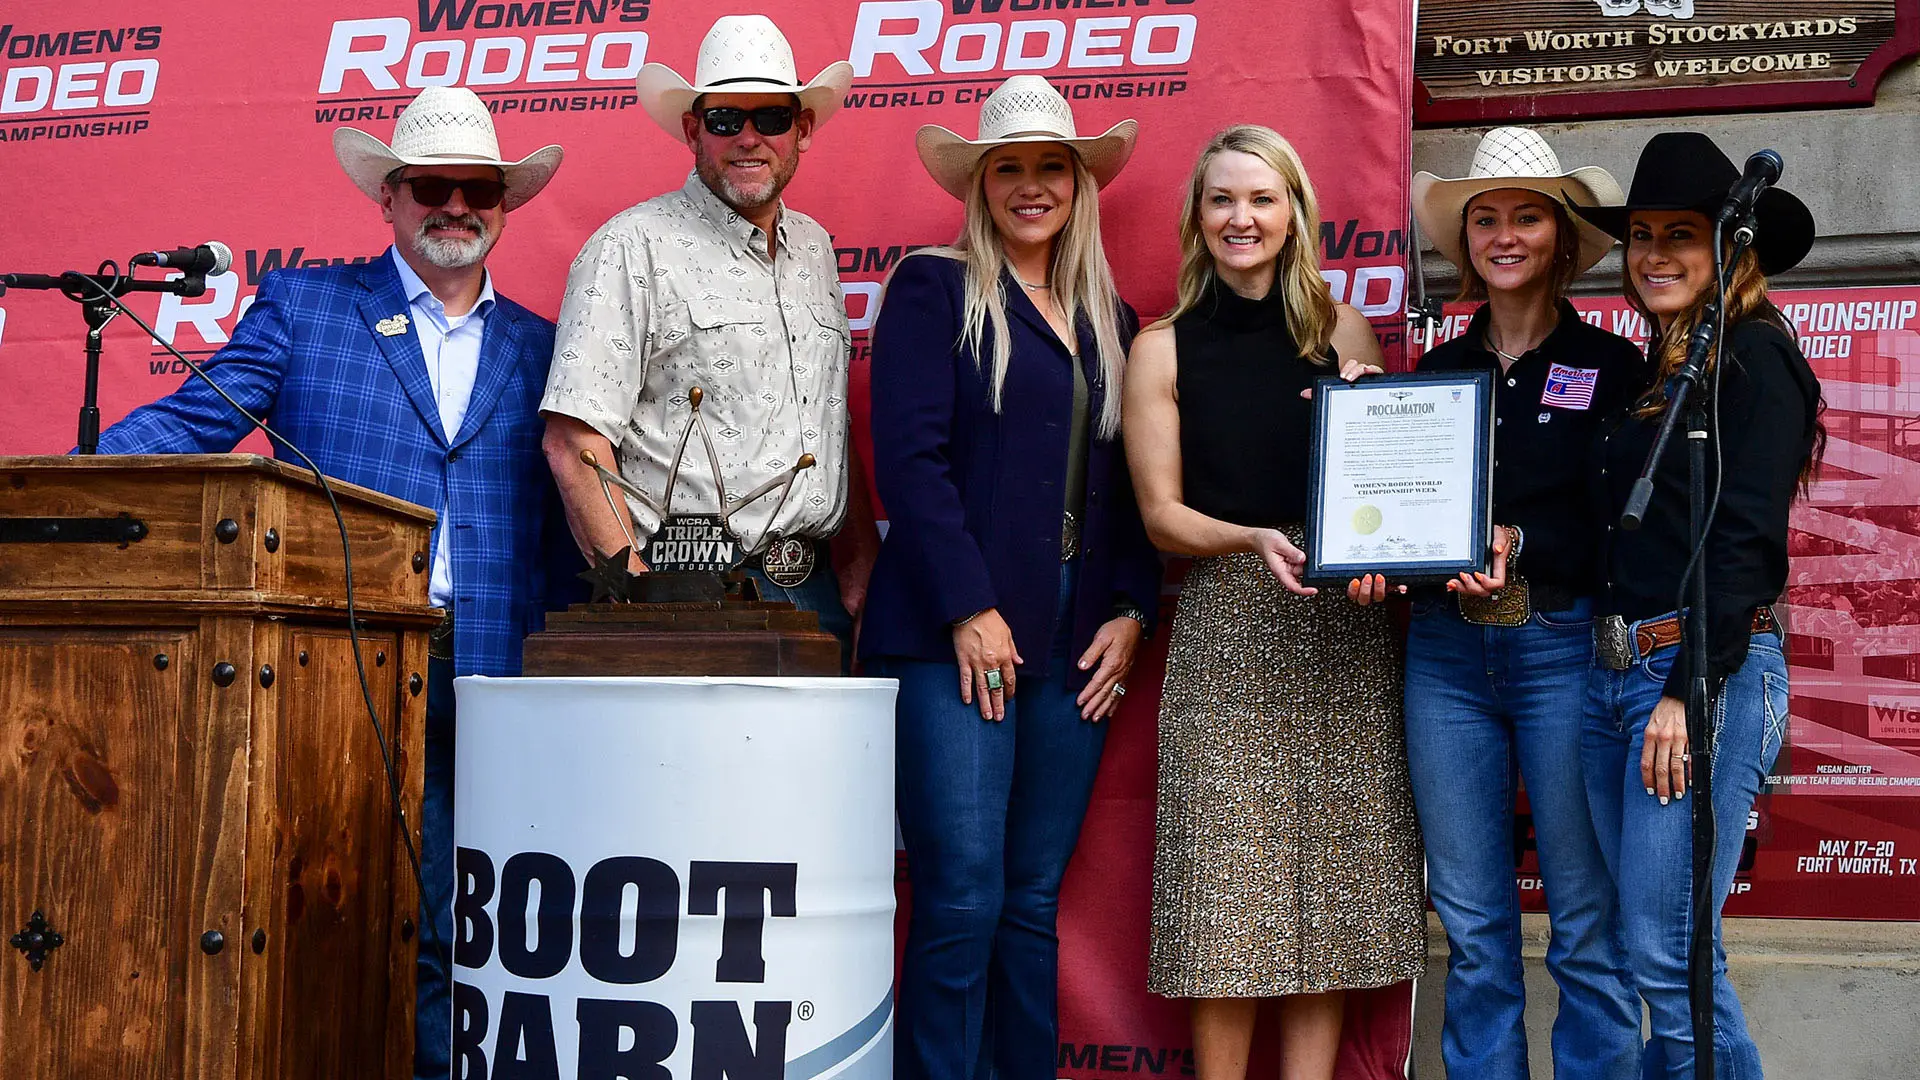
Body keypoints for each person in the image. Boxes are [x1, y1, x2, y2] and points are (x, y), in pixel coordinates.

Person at [91, 86, 571, 1080]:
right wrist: (72, 483)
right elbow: (192, 423)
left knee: (476, 926)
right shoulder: (305, 308)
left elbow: (572, 522)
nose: (456, 205)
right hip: (342, 666)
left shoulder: (545, 343)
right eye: (431, 186)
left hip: (500, 680)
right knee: (341, 912)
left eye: (478, 188)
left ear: (504, 204)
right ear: (387, 196)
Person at [862, 76, 1162, 1080]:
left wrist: (1132, 610)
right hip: (951, 636)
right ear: (979, 186)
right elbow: (910, 463)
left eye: (1051, 168)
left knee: (1031, 900)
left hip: (1077, 641)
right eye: (1009, 169)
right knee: (961, 897)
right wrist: (969, 606)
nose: (1031, 186)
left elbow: (1135, 486)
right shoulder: (932, 287)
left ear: (1080, 185)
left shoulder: (1112, 317)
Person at [1122, 124, 1425, 1080]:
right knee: (1228, 898)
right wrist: (1251, 538)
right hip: (1228, 626)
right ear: (1197, 217)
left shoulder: (1344, 333)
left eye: (1261, 198)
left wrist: (1372, 434)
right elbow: (1162, 515)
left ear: (1295, 212)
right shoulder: (1160, 348)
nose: (1241, 217)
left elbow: (1381, 494)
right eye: (1222, 199)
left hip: (1341, 627)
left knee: (1328, 897)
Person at [1370, 127, 1647, 1079]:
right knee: (1472, 923)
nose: (1504, 235)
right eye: (1485, 218)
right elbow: (1404, 517)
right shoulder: (1435, 375)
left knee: (1586, 919)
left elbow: (1626, 529)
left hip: (1563, 651)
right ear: (1467, 242)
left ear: (1562, 236)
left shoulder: (1612, 367)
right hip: (1445, 658)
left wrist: (1520, 545)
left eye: (1527, 216)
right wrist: (1375, 561)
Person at [1572, 131, 1823, 1079]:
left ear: (1732, 246)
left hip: (1699, 673)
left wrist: (1687, 688)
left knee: (1668, 955)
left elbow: (1745, 540)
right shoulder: (1664, 368)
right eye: (1641, 235)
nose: (1654, 254)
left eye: (1682, 234)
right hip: (1614, 674)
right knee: (1659, 949)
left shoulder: (1756, 357)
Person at [540, 14, 863, 660]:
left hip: (818, 596)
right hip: (685, 595)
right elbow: (574, 443)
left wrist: (858, 569)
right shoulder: (630, 247)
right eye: (724, 119)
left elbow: (827, 422)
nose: (748, 137)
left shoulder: (815, 251)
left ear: (802, 129)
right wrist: (639, 607)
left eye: (771, 117)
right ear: (693, 130)